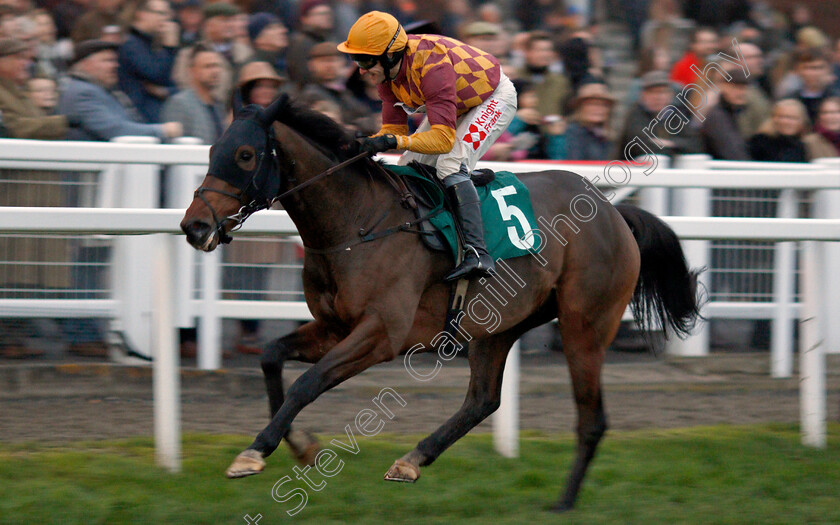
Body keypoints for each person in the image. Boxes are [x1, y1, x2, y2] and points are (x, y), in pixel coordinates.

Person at [336, 11, 519, 281]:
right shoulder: (387, 75)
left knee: (449, 163)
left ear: (389, 56)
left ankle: (479, 254)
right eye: (355, 60)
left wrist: (392, 141)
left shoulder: (431, 66)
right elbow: (394, 130)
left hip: (492, 97)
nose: (360, 69)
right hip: (457, 102)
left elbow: (442, 140)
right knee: (408, 166)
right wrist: (371, 143)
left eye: (364, 60)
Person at [59, 40, 183, 141]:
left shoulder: (103, 90)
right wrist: (162, 130)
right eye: (107, 60)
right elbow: (115, 130)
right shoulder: (83, 92)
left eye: (115, 61)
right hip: (92, 169)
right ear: (85, 64)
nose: (115, 66)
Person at [118, 0, 180, 123]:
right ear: (141, 14)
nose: (166, 20)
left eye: (168, 14)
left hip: (152, 114)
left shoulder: (151, 44)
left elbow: (172, 82)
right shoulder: (131, 44)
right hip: (138, 116)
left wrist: (166, 91)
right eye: (161, 13)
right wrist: (169, 48)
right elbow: (156, 74)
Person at [615, 71, 701, 159]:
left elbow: (696, 145)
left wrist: (671, 143)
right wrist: (678, 147)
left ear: (670, 95)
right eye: (653, 92)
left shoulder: (677, 114)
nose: (658, 97)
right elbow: (644, 148)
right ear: (643, 95)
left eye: (663, 92)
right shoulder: (634, 116)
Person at [161, 43, 226, 145]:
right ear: (192, 71)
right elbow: (172, 146)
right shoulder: (179, 104)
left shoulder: (219, 106)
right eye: (208, 66)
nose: (215, 71)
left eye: (217, 66)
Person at [700, 68, 751, 160]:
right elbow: (731, 152)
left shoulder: (736, 113)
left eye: (744, 88)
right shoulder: (717, 116)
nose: (741, 93)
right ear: (724, 87)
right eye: (736, 87)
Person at [564, 82, 615, 161]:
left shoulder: (605, 136)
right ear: (579, 108)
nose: (598, 109)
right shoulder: (570, 134)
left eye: (603, 105)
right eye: (592, 104)